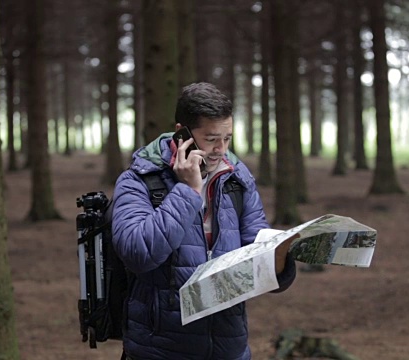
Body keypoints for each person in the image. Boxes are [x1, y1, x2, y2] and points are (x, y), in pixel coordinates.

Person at [112, 82, 296, 359]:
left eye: (227, 138)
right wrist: (187, 191)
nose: (220, 149)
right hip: (160, 348)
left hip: (229, 347)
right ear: (181, 133)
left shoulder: (237, 179)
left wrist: (281, 259)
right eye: (211, 139)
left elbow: (254, 250)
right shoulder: (138, 180)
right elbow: (138, 253)